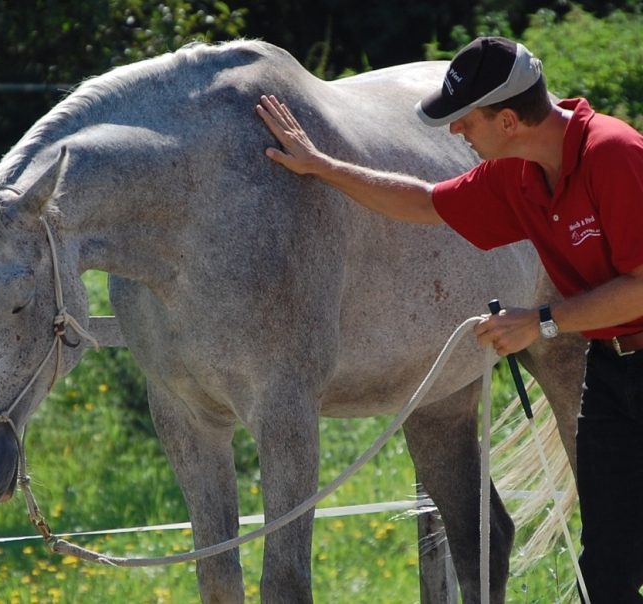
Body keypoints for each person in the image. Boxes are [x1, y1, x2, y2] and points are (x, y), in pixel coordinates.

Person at [256, 36, 643, 603]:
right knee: (605, 575)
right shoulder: (519, 174)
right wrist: (322, 167)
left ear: (508, 119)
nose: (456, 134)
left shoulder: (614, 153)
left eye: (466, 121)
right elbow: (423, 203)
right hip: (611, 377)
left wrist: (541, 320)